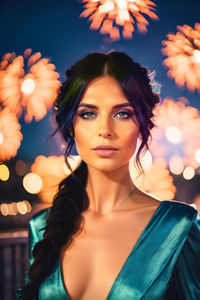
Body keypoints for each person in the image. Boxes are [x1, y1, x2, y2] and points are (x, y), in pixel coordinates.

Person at [17, 51, 200, 300]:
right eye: (88, 114)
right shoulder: (42, 227)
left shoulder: (179, 227)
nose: (105, 130)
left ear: (143, 125)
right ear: (72, 125)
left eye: (122, 113)